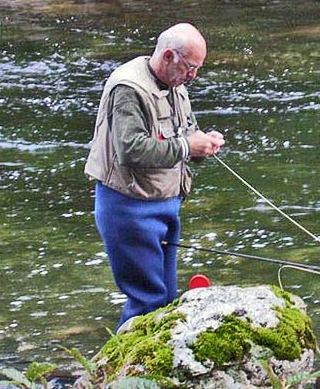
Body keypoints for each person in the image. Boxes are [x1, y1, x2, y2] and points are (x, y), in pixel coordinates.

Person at [84, 23, 224, 330]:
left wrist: (202, 146)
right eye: (190, 68)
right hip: (128, 207)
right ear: (169, 56)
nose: (193, 76)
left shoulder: (177, 88)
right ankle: (120, 373)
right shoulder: (128, 89)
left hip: (165, 204)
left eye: (198, 68)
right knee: (147, 302)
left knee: (166, 301)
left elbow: (181, 140)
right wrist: (188, 146)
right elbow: (131, 150)